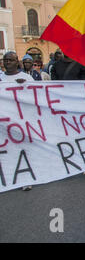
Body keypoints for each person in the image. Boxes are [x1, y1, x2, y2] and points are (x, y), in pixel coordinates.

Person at [0, 52, 34, 191]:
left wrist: (25, 87)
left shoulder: (26, 78)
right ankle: (11, 177)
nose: (8, 62)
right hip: (5, 122)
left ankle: (26, 178)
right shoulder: (0, 79)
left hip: (22, 120)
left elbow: (36, 96)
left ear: (17, 62)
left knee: (24, 150)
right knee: (9, 150)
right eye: (5, 60)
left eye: (11, 60)